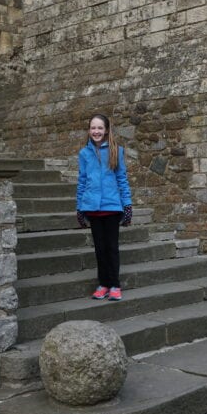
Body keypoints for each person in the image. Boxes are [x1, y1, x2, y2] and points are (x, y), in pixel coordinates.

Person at [76, 113, 133, 301]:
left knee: (112, 248)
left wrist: (127, 205)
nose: (96, 131)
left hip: (112, 207)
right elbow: (82, 182)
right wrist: (79, 207)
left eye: (100, 128)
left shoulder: (117, 151)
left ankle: (115, 285)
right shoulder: (84, 154)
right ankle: (103, 284)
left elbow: (122, 180)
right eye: (93, 128)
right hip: (93, 208)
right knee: (99, 249)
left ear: (106, 130)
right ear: (89, 130)